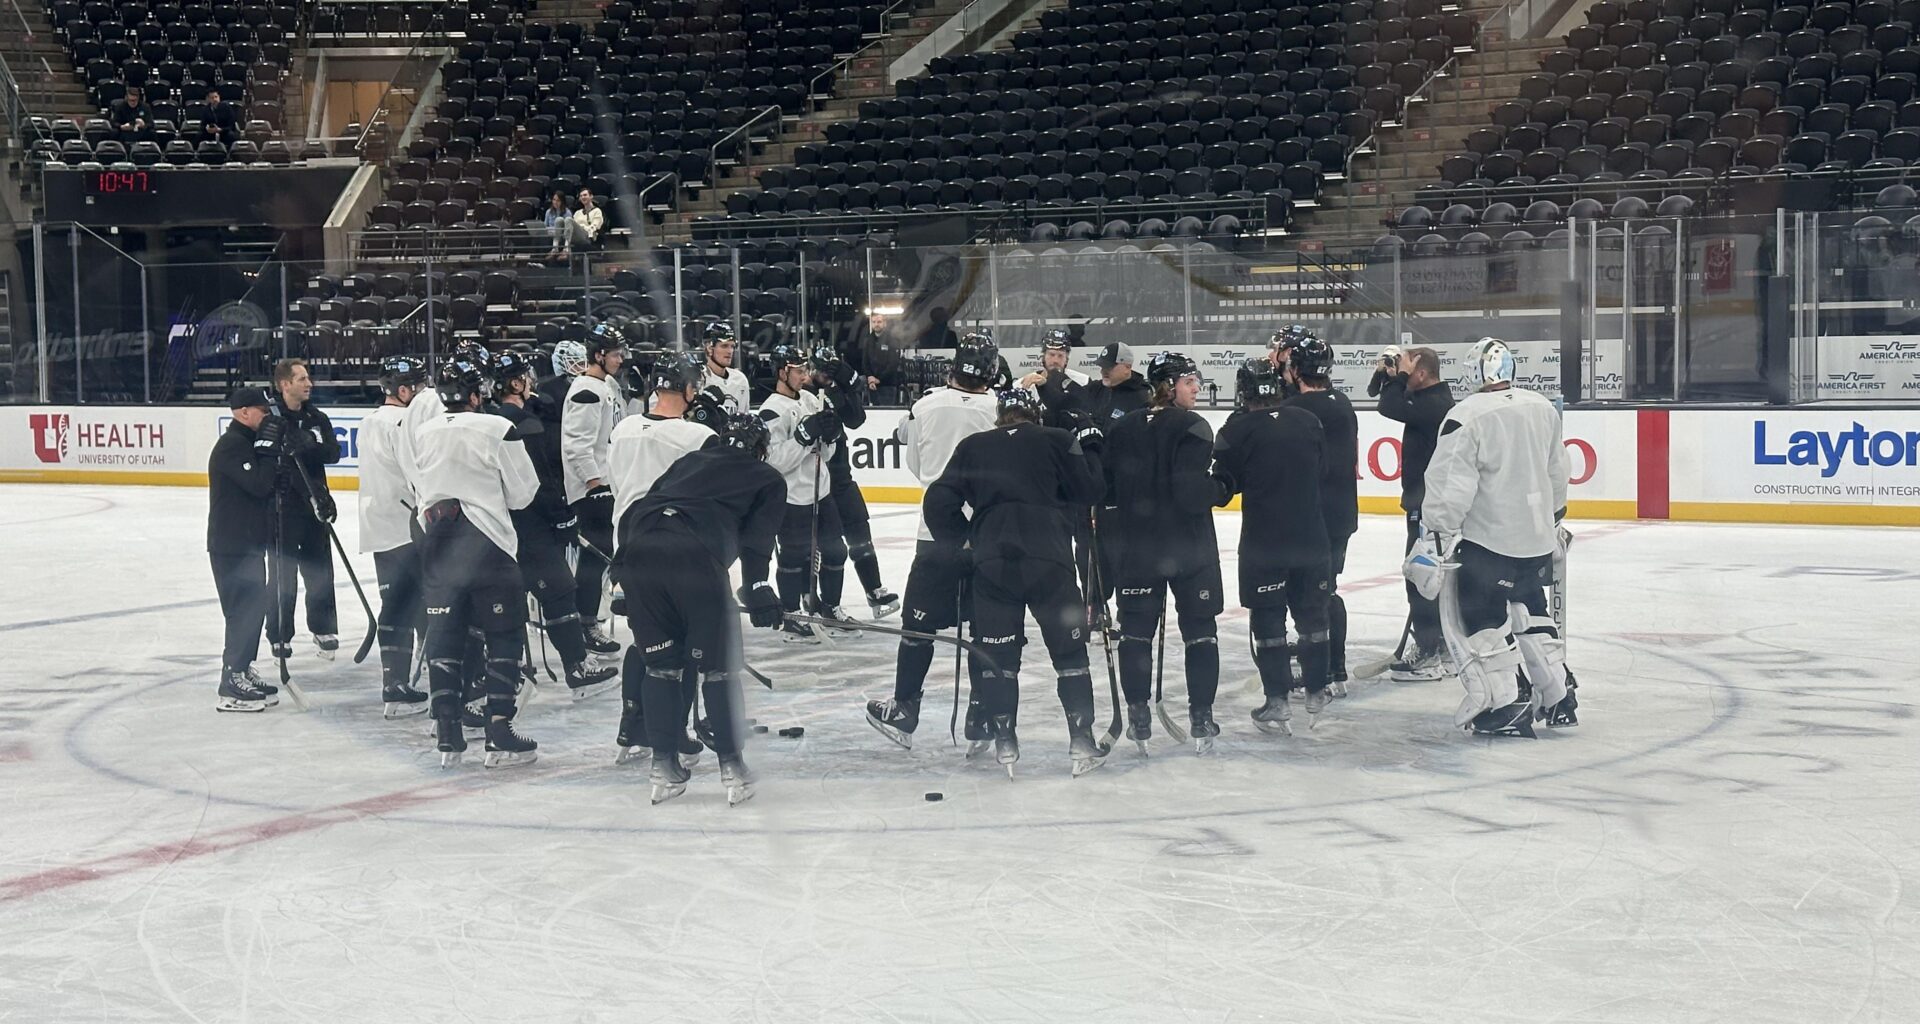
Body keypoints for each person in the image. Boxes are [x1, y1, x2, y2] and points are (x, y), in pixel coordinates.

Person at [923, 387, 1107, 776]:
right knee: (1070, 655)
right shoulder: (1059, 439)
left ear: (1000, 416)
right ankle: (1081, 741)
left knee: (999, 657)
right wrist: (1091, 446)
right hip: (1050, 561)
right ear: (1036, 414)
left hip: (993, 565)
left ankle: (1005, 741)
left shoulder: (974, 446)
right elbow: (1090, 491)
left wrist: (965, 541)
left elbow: (937, 500)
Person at [617, 413, 789, 806]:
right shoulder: (766, 477)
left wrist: (620, 570)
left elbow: (639, 507)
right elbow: (758, 543)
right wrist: (760, 592)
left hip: (640, 549)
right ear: (761, 450)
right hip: (694, 557)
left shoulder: (690, 461)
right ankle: (733, 768)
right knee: (718, 668)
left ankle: (664, 766)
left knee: (660, 667)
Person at [1411, 337, 1575, 736]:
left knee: (1483, 617)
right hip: (1536, 538)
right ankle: (1559, 694)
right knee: (1530, 611)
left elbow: (1451, 486)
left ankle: (1506, 703)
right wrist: (1552, 520)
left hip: (1490, 543)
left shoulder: (1465, 416)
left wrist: (1434, 535)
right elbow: (1558, 471)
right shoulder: (1541, 407)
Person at [863, 334, 1002, 748]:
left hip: (934, 534)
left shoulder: (924, 405)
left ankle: (905, 707)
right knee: (985, 628)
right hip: (983, 535)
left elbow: (916, 464)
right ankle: (982, 715)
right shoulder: (996, 408)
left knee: (917, 626)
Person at [414, 354, 543, 768]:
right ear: (477, 393)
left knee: (445, 631)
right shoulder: (497, 427)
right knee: (503, 632)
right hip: (485, 541)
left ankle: (448, 729)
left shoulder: (424, 430)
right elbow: (524, 492)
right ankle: (498, 727)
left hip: (435, 538)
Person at [1104, 351, 1223, 753]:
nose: (1196, 389)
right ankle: (1201, 717)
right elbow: (1191, 494)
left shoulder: (1122, 429)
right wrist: (1222, 487)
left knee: (1135, 635)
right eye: (1190, 382)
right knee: (1201, 634)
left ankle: (1138, 714)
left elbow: (1107, 491)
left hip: (1137, 549)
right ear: (1169, 385)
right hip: (1189, 549)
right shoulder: (1193, 426)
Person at [606, 350, 719, 762]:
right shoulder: (697, 437)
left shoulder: (623, 429)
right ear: (691, 390)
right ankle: (670, 730)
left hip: (628, 542)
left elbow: (617, 482)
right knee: (684, 641)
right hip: (675, 545)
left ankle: (632, 727)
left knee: (645, 637)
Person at [1212, 359, 1333, 735]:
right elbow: (1321, 467)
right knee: (1313, 616)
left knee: (1268, 621)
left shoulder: (1236, 428)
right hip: (1312, 537)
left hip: (1265, 543)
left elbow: (1225, 486)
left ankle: (1278, 700)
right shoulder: (1308, 421)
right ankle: (1316, 689)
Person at [489, 350, 619, 700]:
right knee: (559, 589)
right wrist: (562, 516)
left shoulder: (497, 418)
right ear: (515, 383)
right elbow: (538, 481)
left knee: (511, 598)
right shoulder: (522, 425)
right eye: (525, 377)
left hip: (497, 527)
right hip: (529, 525)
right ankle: (576, 668)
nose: (532, 382)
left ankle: (504, 671)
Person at [1277, 329, 1359, 695]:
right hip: (1340, 514)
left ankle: (1323, 671)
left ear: (1296, 369)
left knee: (1309, 595)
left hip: (1311, 517)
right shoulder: (1341, 402)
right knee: (1327, 590)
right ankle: (1334, 669)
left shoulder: (1296, 410)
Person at [1370, 345, 1456, 681]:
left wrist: (1400, 376)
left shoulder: (1434, 405)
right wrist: (1389, 373)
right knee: (1430, 578)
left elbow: (1387, 406)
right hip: (1427, 503)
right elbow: (1379, 394)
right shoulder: (1430, 400)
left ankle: (1428, 653)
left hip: (1428, 507)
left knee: (1421, 578)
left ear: (1421, 373)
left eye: (1409, 370)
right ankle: (1445, 647)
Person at [356, 355, 431, 717]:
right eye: (418, 386)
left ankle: (396, 679)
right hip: (407, 524)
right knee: (418, 601)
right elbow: (417, 474)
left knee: (397, 602)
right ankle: (399, 685)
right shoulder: (403, 422)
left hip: (379, 525)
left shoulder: (369, 421)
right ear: (403, 390)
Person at [756, 343, 845, 642]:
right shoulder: (770, 410)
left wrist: (829, 437)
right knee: (793, 560)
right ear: (782, 372)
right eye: (798, 370)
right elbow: (774, 461)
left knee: (836, 551)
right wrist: (804, 437)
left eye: (805, 369)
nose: (805, 375)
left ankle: (830, 607)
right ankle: (792, 615)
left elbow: (827, 454)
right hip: (792, 498)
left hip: (822, 491)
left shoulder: (810, 399)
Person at [207, 387, 285, 712]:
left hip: (249, 542)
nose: (267, 417)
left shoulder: (246, 443)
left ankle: (242, 668)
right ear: (243, 412)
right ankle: (231, 680)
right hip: (232, 545)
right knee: (242, 610)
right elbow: (259, 485)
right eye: (262, 411)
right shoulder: (231, 447)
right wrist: (267, 452)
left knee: (254, 607)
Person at [813, 343, 899, 620]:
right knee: (828, 547)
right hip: (814, 481)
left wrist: (846, 382)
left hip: (841, 476)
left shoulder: (833, 388)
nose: (824, 374)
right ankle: (824, 604)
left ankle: (874, 590)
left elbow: (856, 419)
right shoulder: (802, 395)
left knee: (860, 531)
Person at [266, 357, 341, 661]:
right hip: (282, 507)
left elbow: (333, 453)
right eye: (302, 379)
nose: (309, 384)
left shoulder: (316, 418)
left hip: (316, 506)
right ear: (285, 385)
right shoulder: (272, 421)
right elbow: (266, 460)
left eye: (308, 378)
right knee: (283, 574)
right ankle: (279, 634)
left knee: (320, 569)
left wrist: (308, 441)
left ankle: (323, 627)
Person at [561, 325, 627, 655]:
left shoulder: (606, 386)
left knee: (604, 553)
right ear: (599, 355)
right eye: (616, 353)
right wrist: (594, 484)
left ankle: (592, 617)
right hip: (592, 490)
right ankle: (586, 623)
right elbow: (576, 446)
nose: (621, 358)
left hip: (607, 482)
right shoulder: (586, 390)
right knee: (596, 554)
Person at [1018, 329, 1090, 425]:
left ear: (1067, 359)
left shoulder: (1083, 381)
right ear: (1043, 356)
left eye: (1060, 356)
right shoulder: (1024, 384)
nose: (1055, 360)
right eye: (1051, 355)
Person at [1076, 342, 1152, 425]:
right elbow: (1071, 397)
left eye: (1109, 367)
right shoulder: (1095, 388)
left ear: (1127, 367)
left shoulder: (1142, 398)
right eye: (1102, 366)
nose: (1103, 371)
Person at [698, 321, 752, 414]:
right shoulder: (698, 379)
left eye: (732, 346)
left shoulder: (740, 379)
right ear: (709, 348)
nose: (730, 351)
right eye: (724, 346)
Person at [570, 188, 605, 252]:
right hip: (575, 237)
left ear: (591, 196)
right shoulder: (577, 213)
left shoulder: (597, 211)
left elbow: (594, 227)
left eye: (585, 195)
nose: (583, 197)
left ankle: (566, 248)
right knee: (564, 220)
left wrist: (582, 227)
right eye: (581, 196)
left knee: (569, 220)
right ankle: (563, 248)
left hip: (589, 237)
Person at [542, 192, 572, 261]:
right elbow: (545, 226)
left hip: (562, 236)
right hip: (550, 234)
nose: (555, 202)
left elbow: (567, 229)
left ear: (562, 201)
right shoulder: (548, 212)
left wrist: (554, 230)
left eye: (558, 200)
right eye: (554, 200)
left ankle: (557, 249)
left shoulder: (567, 212)